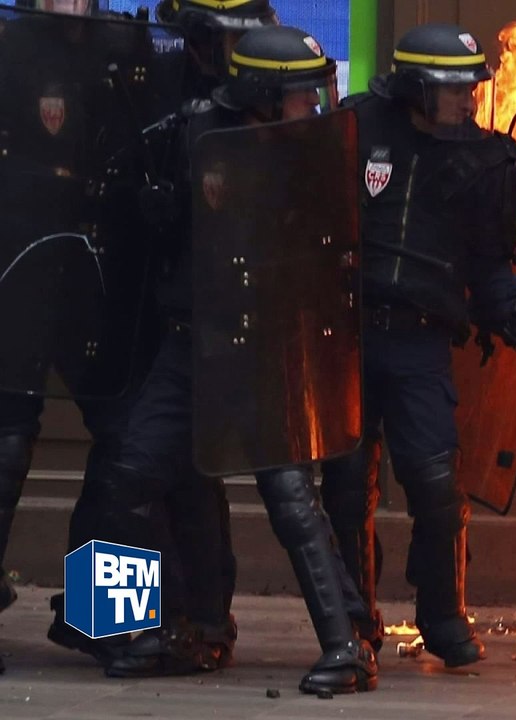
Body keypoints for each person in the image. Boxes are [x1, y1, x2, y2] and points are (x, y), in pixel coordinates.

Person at [90, 25, 379, 694]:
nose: (313, 107)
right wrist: (156, 211)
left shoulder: (309, 150)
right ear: (261, 94)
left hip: (267, 338)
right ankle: (139, 629)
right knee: (124, 477)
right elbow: (134, 222)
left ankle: (347, 648)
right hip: (193, 340)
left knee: (290, 499)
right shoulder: (187, 134)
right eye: (300, 96)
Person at [44, 0, 282, 677]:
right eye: (228, 38)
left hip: (186, 318)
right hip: (115, 305)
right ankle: (124, 619)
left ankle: (184, 618)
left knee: (168, 467)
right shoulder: (138, 83)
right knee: (137, 463)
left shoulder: (242, 107)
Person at [324, 22, 516, 668]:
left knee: (433, 481)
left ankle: (443, 614)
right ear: (419, 87)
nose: (469, 100)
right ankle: (354, 620)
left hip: (422, 342)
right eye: (455, 89)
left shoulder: (488, 161)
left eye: (473, 87)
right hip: (350, 336)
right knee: (343, 484)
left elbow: (489, 265)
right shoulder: (354, 130)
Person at [0, 0, 177, 672]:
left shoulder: (132, 49)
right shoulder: (10, 46)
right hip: (15, 265)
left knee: (129, 442)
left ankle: (105, 617)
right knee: (7, 443)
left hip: (99, 275)